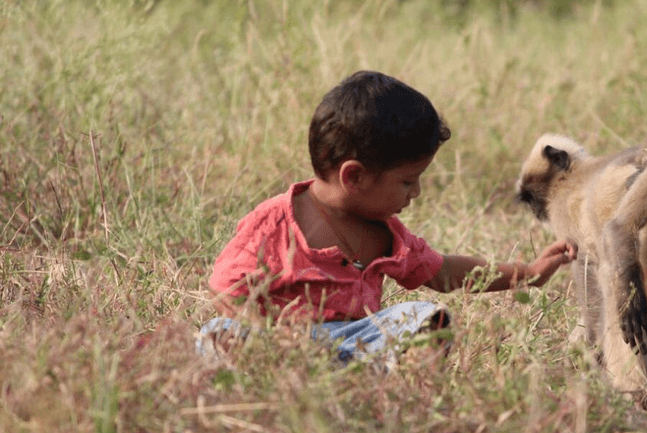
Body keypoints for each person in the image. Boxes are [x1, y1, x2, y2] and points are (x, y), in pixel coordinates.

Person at [199, 70, 576, 364]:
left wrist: (527, 273)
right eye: (408, 181)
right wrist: (274, 339)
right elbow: (225, 288)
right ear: (355, 176)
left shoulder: (387, 235)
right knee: (219, 332)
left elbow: (445, 272)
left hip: (358, 345)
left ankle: (403, 390)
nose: (416, 193)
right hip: (279, 348)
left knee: (426, 318)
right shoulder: (273, 224)